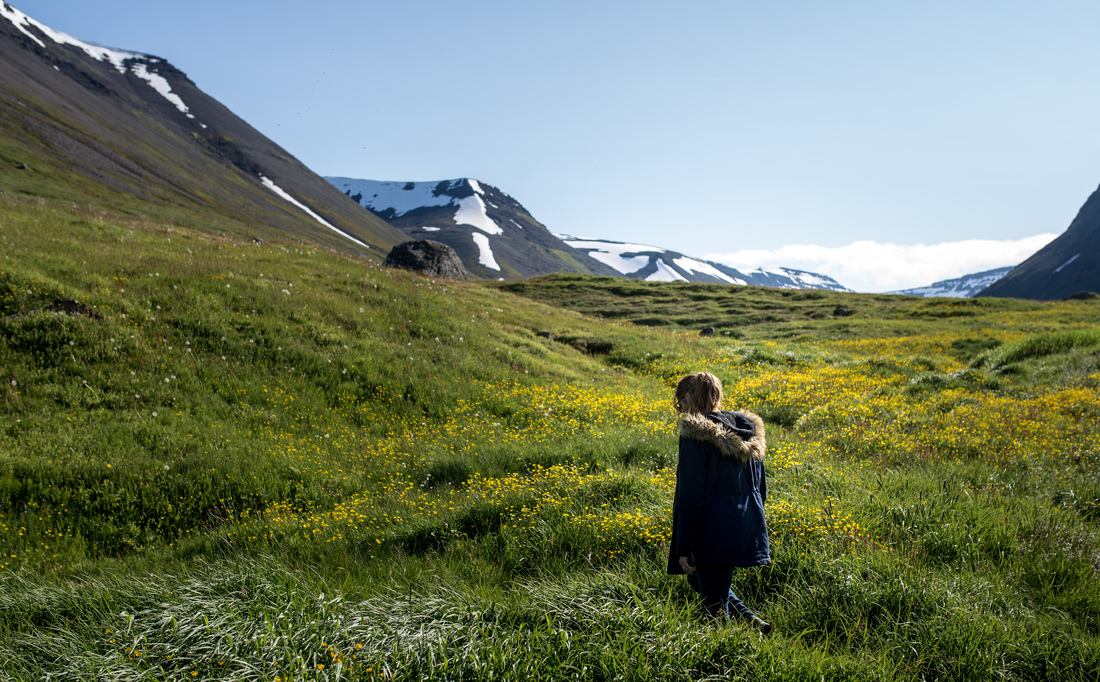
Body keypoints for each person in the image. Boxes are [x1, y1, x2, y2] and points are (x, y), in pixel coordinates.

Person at [667, 371, 772, 633]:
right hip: (744, 525)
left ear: (690, 400)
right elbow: (761, 488)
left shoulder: (695, 436)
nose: (680, 409)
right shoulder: (747, 431)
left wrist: (685, 546)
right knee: (700, 581)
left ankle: (726, 659)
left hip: (711, 530)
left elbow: (691, 497)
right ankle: (752, 622)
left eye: (680, 403)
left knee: (713, 612)